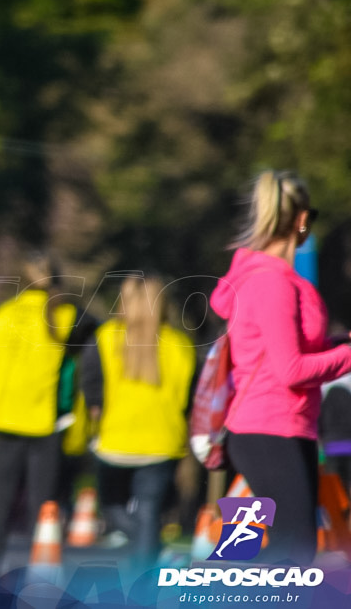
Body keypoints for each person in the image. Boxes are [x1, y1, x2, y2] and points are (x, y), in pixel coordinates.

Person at [210, 169, 351, 566]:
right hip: (267, 428)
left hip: (288, 426)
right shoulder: (271, 283)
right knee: (293, 549)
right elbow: (291, 369)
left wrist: (339, 347)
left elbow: (293, 351)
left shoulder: (271, 279)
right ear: (302, 219)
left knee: (280, 550)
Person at [81, 274, 196, 571]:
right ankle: (145, 566)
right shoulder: (180, 345)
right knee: (149, 510)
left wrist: (96, 414)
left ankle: (147, 546)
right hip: (163, 442)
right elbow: (189, 397)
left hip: (115, 440)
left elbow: (91, 387)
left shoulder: (106, 338)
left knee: (112, 508)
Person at [0, 251, 78, 575]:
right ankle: (44, 566)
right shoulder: (64, 315)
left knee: (3, 499)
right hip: (47, 421)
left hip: (7, 419)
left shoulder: (2, 317)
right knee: (44, 500)